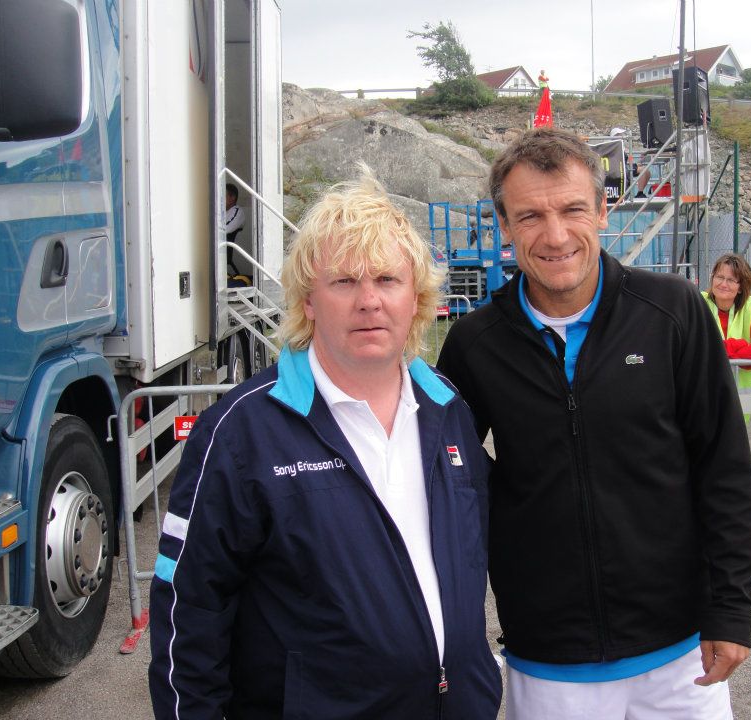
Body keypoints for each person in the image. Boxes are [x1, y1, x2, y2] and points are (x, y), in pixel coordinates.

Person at [149, 168, 502, 719]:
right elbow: (189, 611)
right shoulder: (242, 434)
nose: (369, 301)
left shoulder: (447, 408)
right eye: (344, 282)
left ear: (416, 297)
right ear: (309, 301)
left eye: (387, 279)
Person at [437, 127, 751, 719]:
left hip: (680, 655)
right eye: (530, 216)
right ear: (504, 225)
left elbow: (724, 467)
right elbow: (448, 481)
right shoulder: (475, 343)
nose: (556, 235)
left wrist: (731, 608)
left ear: (603, 211)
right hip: (548, 658)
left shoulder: (673, 312)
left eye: (572, 210)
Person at [703, 253, 751, 397]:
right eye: (719, 277)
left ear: (741, 287)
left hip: (739, 397)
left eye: (731, 280)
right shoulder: (698, 302)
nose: (723, 284)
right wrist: (740, 346)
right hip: (703, 392)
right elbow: (693, 346)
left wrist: (719, 352)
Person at [225, 182, 246, 276]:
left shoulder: (237, 211)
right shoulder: (221, 211)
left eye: (222, 196)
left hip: (224, 250)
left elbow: (226, 229)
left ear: (232, 197)